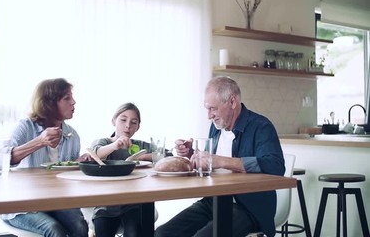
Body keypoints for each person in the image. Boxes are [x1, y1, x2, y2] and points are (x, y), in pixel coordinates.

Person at [154, 76, 285, 237]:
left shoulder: (261, 126)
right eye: (207, 109)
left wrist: (221, 161)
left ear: (232, 102)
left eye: (213, 109)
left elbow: (276, 166)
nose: (209, 115)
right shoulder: (216, 128)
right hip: (214, 202)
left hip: (249, 208)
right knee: (162, 234)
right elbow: (212, 165)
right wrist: (192, 155)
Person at [0, 78, 89, 237]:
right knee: (54, 230)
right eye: (67, 98)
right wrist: (39, 141)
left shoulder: (72, 135)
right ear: (49, 102)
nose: (74, 102)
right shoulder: (26, 126)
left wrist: (79, 164)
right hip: (21, 205)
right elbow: (3, 158)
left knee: (80, 226)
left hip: (57, 201)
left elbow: (68, 175)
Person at [89, 102, 170, 237]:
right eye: (123, 120)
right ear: (114, 121)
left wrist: (144, 156)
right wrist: (115, 145)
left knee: (135, 232)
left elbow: (167, 154)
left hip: (134, 204)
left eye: (134, 122)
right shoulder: (104, 142)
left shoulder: (139, 145)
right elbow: (94, 154)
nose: (128, 125)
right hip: (106, 205)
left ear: (138, 127)